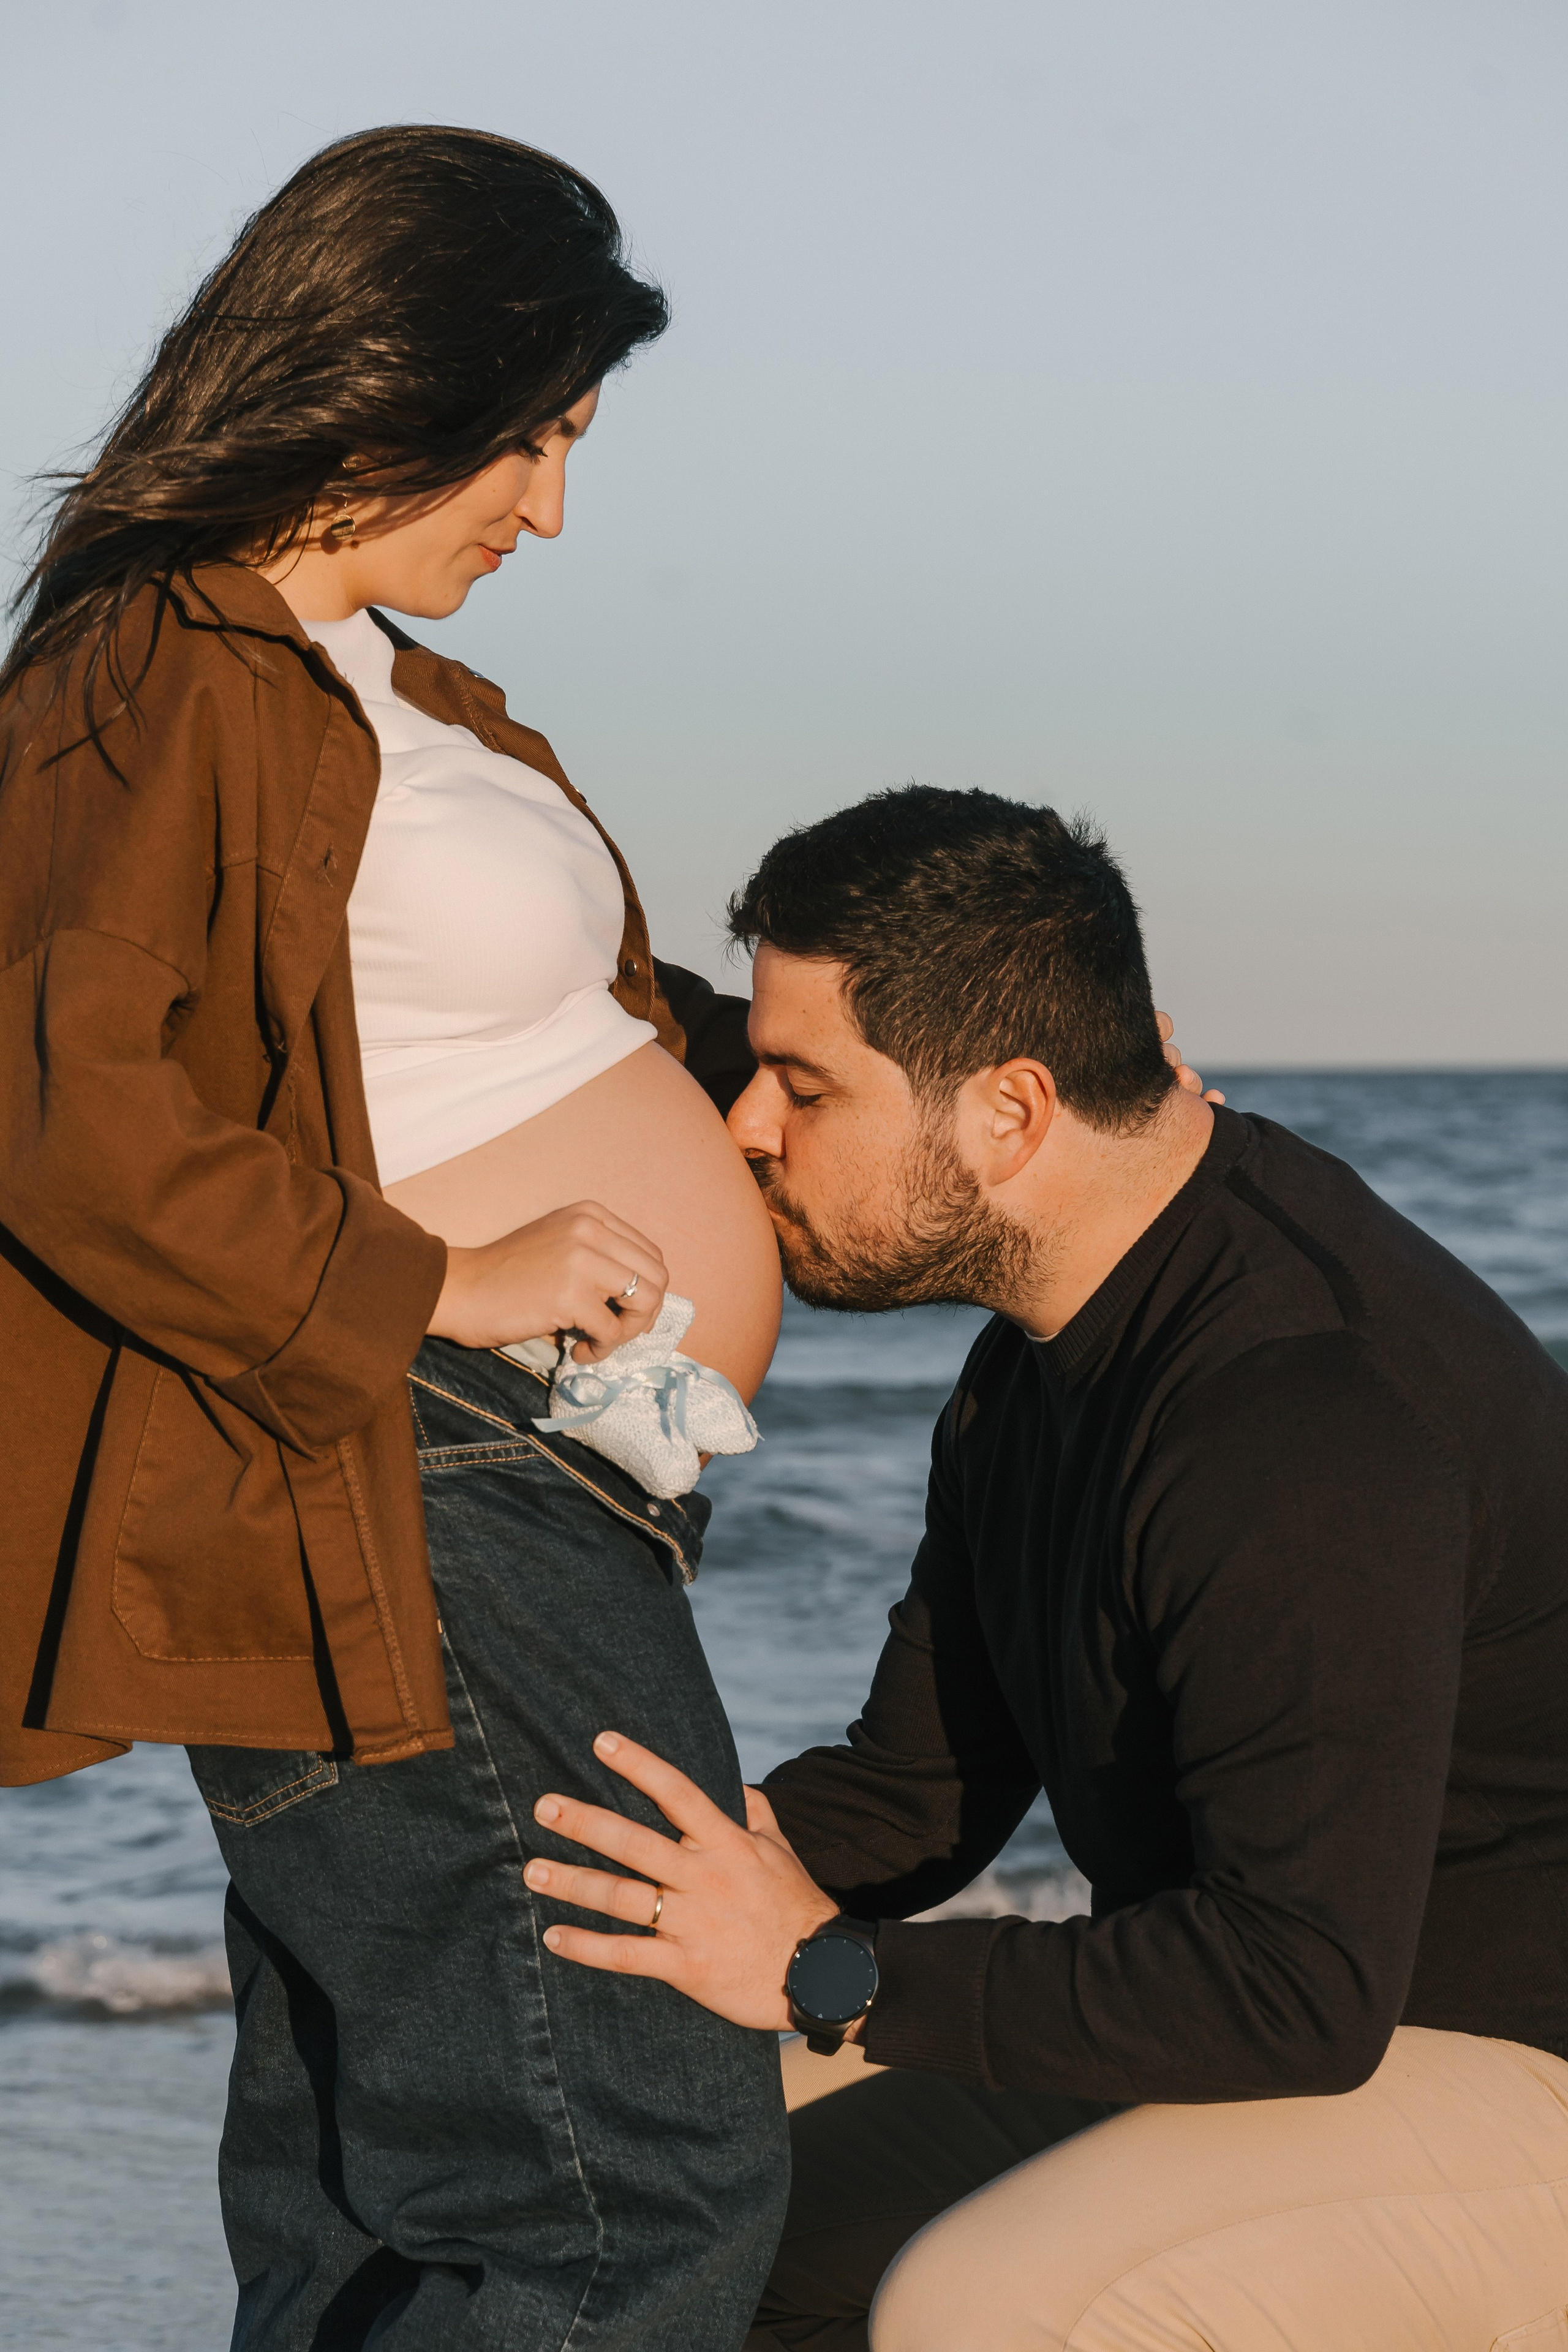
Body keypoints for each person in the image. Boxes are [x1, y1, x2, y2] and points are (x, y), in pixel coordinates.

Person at [0, 127, 788, 2349]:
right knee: (630, 2189)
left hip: (530, 1491)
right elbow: (63, 1107)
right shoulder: (152, 668)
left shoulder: (390, 691)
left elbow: (537, 1023)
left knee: (397, 2202)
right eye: (532, 441)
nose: (549, 508)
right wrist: (451, 1281)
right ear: (389, 384)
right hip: (416, 1482)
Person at [526, 786, 1568, 2350]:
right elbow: (917, 1798)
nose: (744, 1128)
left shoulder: (1298, 1416)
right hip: (1295, 2038)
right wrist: (609, 1894)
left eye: (800, 1087)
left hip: (1502, 2068)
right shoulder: (1047, 1354)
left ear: (1009, 1114)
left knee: (986, 2309)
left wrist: (823, 1971)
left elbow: (1292, 1985)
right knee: (671, 2175)